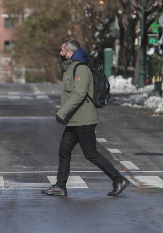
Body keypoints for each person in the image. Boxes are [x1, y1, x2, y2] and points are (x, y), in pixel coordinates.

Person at [42, 39, 130, 197]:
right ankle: (60, 186)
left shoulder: (80, 69)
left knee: (91, 153)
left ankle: (118, 179)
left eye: (62, 50)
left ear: (69, 53)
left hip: (83, 120)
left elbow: (79, 94)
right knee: (64, 150)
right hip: (75, 120)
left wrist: (62, 113)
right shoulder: (71, 68)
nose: (60, 53)